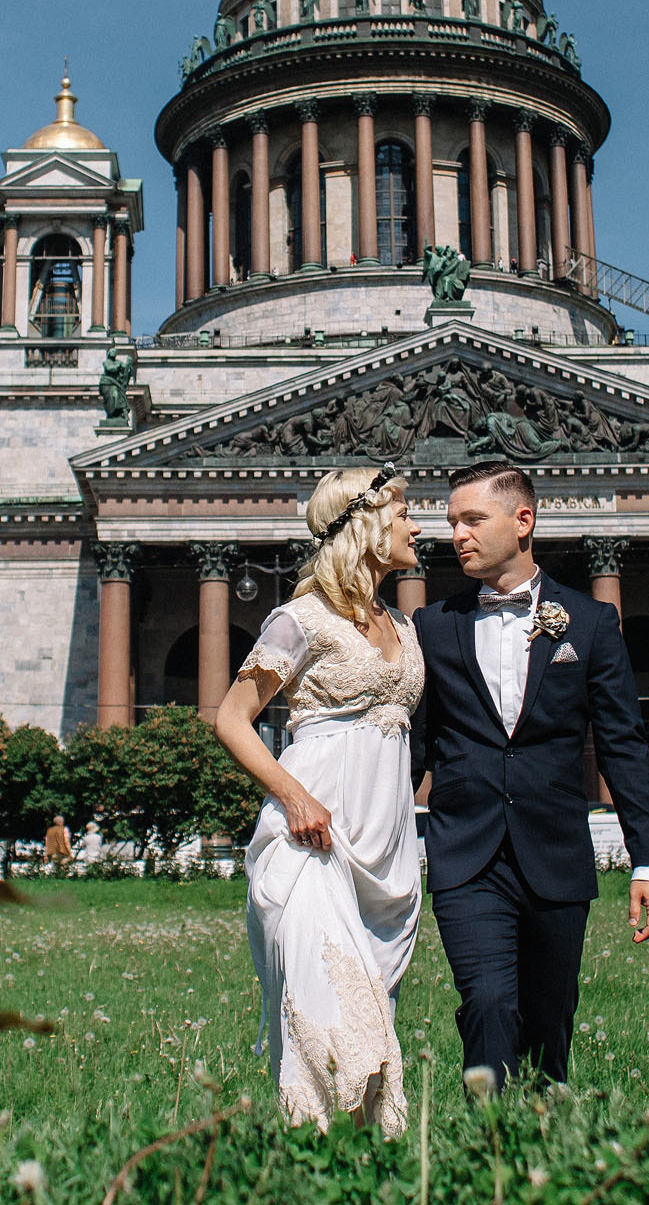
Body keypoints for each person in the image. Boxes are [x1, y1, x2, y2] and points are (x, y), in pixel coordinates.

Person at [411, 460, 649, 1087]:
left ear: (523, 521)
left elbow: (622, 746)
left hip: (555, 855)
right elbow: (411, 750)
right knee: (489, 1002)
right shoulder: (433, 626)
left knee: (549, 1020)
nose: (457, 536)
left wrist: (648, 861)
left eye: (473, 519)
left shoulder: (590, 622)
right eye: (452, 523)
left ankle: (543, 1139)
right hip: (465, 855)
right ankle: (486, 1140)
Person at [215, 465, 426, 1135]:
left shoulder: (402, 624)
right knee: (323, 1010)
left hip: (385, 850)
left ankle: (365, 1163)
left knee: (371, 1013)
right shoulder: (300, 619)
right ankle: (307, 1152)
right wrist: (295, 797)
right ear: (365, 526)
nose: (418, 526)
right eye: (404, 514)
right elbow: (230, 718)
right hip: (311, 841)